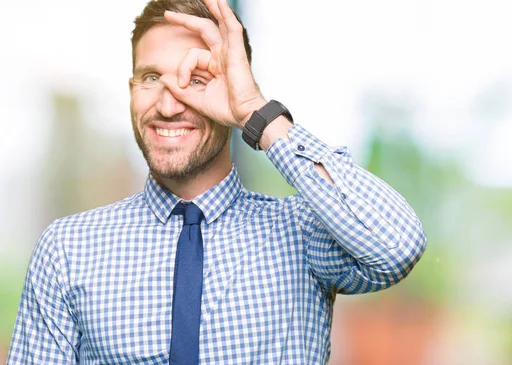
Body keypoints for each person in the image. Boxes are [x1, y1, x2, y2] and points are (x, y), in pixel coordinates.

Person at [7, 0, 427, 363]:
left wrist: (255, 112)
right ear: (131, 89)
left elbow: (397, 245)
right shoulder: (66, 250)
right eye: (151, 78)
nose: (169, 104)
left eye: (197, 79)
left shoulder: (301, 233)